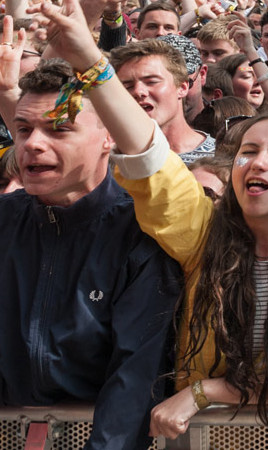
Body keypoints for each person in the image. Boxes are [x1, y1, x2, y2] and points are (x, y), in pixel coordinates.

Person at [29, 0, 268, 436]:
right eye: (248, 151)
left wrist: (207, 392)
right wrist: (90, 58)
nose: (258, 163)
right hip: (204, 439)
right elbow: (148, 160)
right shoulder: (205, 235)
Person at [0, 56, 182, 450]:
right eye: (23, 128)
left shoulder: (142, 231)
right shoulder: (4, 222)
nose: (32, 143)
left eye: (58, 129)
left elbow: (135, 375)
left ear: (109, 136)